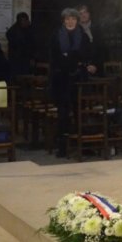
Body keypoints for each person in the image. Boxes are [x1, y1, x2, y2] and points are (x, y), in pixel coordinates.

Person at [48, 8, 97, 157]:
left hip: (78, 80)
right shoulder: (56, 35)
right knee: (63, 114)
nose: (70, 22)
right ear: (63, 21)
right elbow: (54, 57)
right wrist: (72, 58)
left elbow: (87, 55)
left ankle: (83, 146)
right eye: (67, 19)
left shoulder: (83, 36)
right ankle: (62, 148)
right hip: (61, 80)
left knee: (80, 113)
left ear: (77, 20)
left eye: (73, 19)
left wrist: (72, 57)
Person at [5, 12, 36, 76]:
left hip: (25, 60)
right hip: (16, 60)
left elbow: (32, 44)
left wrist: (32, 57)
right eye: (23, 21)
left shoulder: (29, 29)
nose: (24, 22)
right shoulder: (13, 31)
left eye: (25, 20)